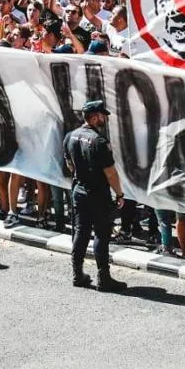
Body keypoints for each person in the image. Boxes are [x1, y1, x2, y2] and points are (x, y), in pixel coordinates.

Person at [63, 99, 126, 292]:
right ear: (94, 117)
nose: (104, 118)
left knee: (81, 232)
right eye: (102, 115)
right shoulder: (99, 141)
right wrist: (119, 194)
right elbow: (111, 173)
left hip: (79, 191)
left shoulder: (70, 136)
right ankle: (103, 278)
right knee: (101, 234)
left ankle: (77, 274)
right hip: (98, 194)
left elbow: (70, 166)